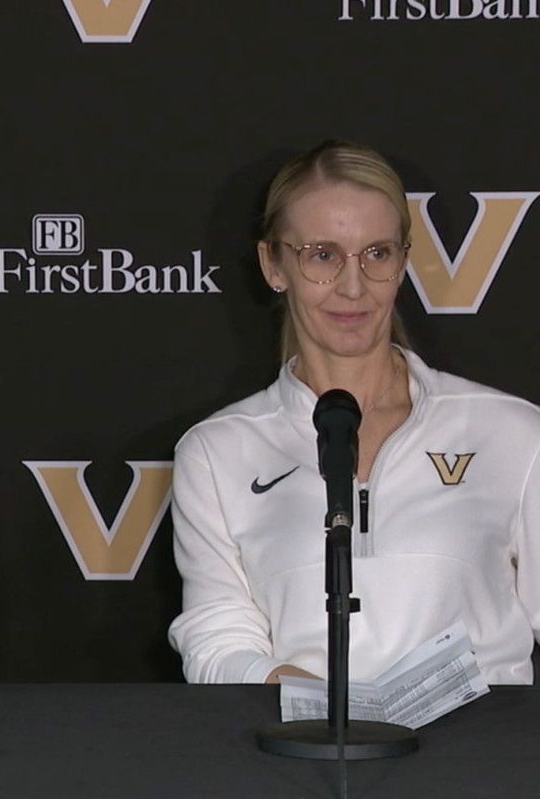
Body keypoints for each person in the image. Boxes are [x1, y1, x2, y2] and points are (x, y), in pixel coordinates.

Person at [168, 140, 540, 685]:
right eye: (322, 255)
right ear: (274, 264)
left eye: (377, 254)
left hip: (477, 761)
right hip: (303, 757)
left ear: (403, 261)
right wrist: (327, 711)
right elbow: (217, 638)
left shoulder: (513, 433)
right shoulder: (216, 451)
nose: (352, 285)